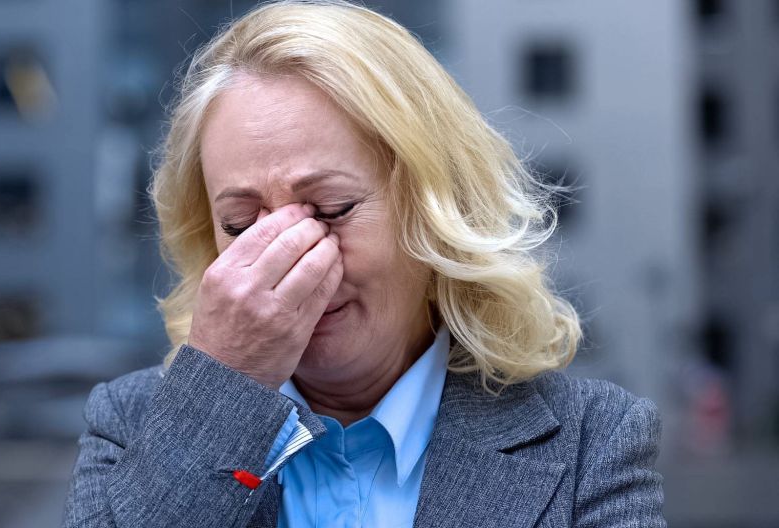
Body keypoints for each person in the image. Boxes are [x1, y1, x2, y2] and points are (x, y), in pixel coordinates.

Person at [62, 1, 666, 526]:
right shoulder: (129, 424)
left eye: (332, 209)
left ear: (434, 208)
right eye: (242, 225)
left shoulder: (593, 441)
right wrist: (227, 392)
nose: (292, 257)